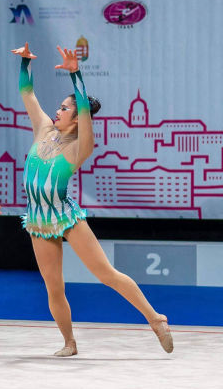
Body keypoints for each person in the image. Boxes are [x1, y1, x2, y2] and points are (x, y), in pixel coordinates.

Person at [11, 42, 173, 356]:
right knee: (53, 286)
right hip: (38, 220)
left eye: (64, 109)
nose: (58, 111)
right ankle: (69, 342)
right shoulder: (44, 129)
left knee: (106, 274)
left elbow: (85, 111)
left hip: (65, 216)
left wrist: (76, 75)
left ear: (76, 118)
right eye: (59, 107)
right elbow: (27, 93)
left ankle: (155, 319)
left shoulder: (80, 147)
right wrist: (25, 63)